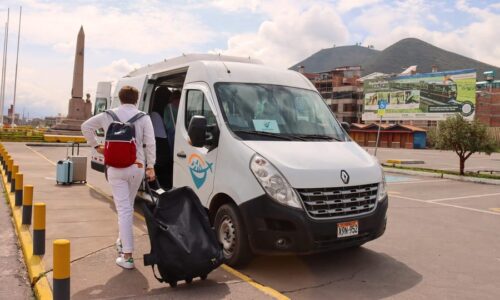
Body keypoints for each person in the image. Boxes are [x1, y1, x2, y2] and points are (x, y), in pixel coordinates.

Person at [81, 85, 156, 270]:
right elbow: (150, 143)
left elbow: (86, 127)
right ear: (136, 99)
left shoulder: (108, 115)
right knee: (127, 207)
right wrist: (151, 166)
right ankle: (123, 243)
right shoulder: (143, 117)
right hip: (137, 167)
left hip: (114, 168)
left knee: (124, 209)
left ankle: (127, 256)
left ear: (120, 99)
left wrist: (96, 146)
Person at [150, 86, 172, 189]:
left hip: (159, 143)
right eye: (168, 97)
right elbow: (162, 135)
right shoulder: (157, 113)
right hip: (160, 144)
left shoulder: (159, 110)